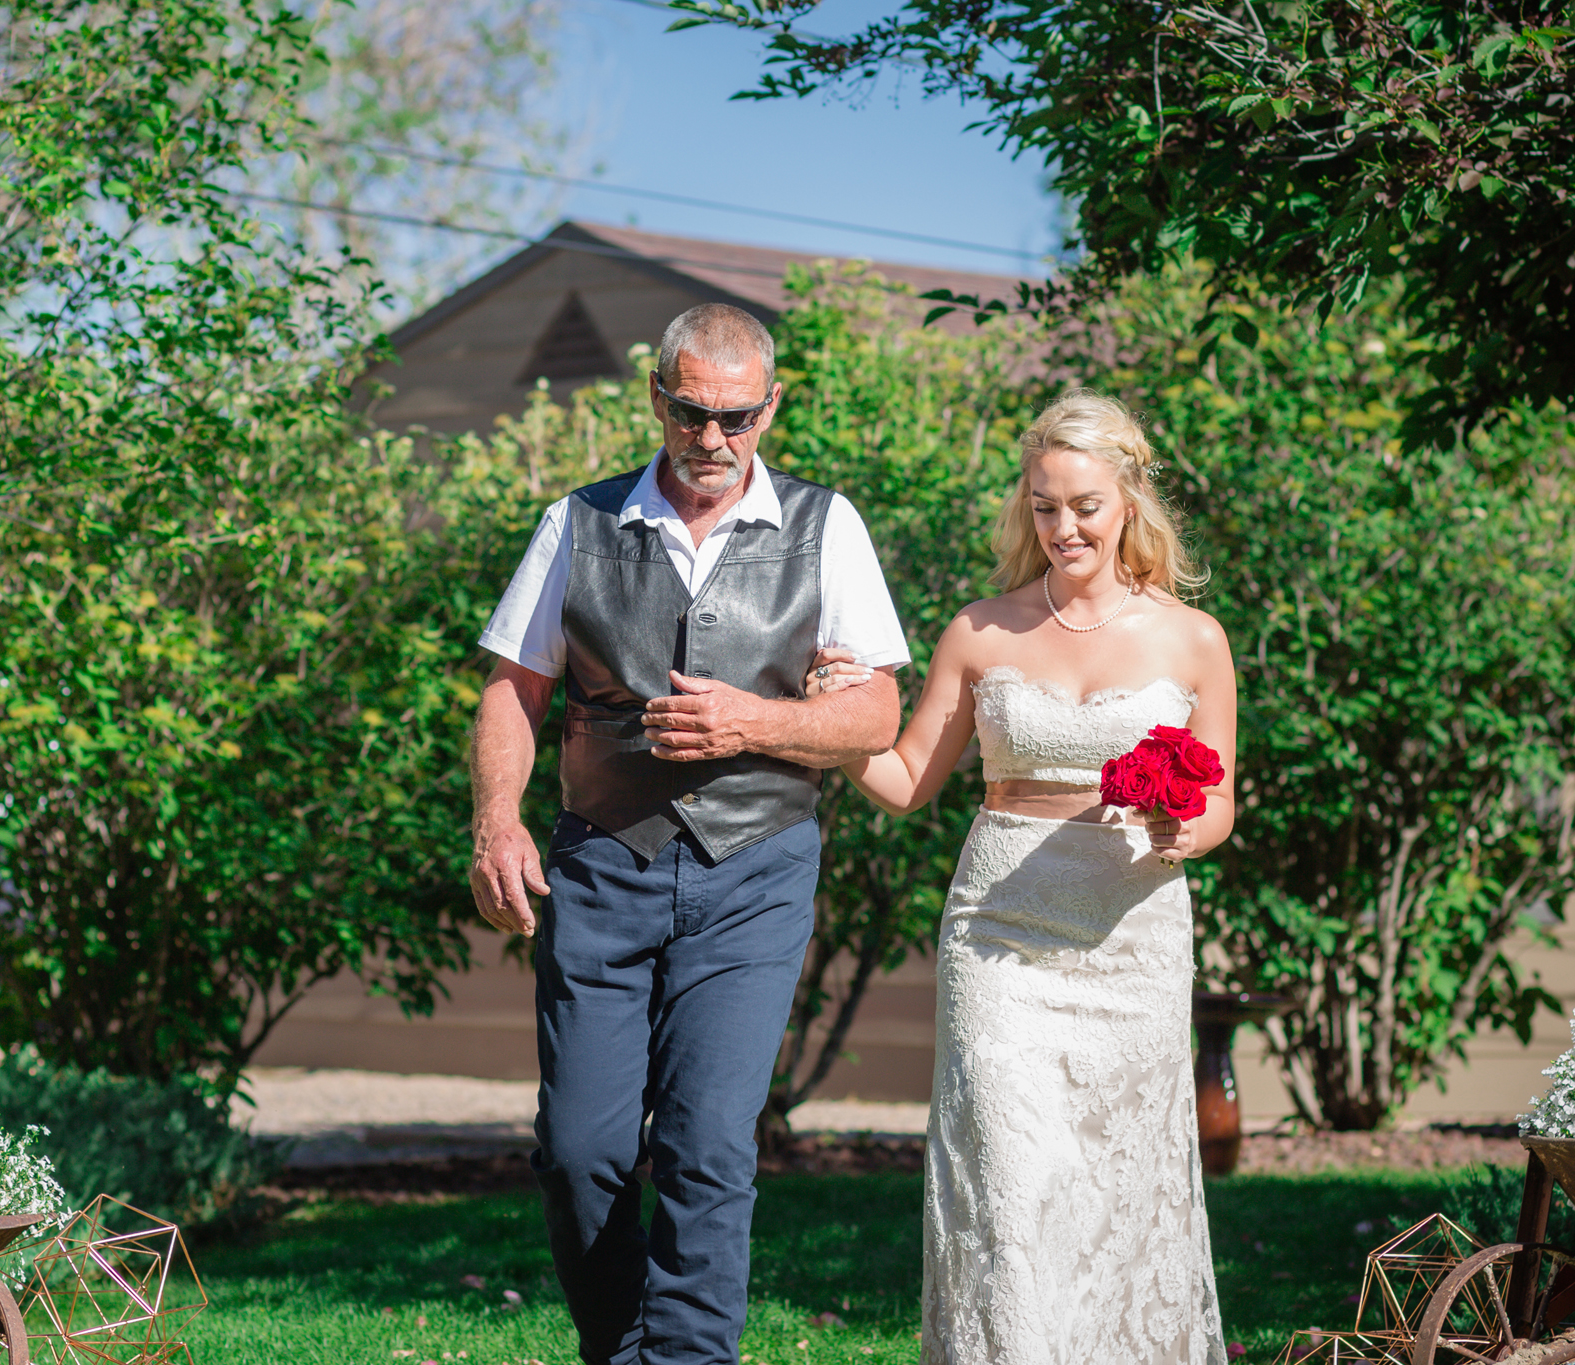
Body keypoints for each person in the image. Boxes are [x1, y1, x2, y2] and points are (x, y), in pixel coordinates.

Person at [470, 302, 910, 1365]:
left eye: (735, 418)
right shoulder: (576, 524)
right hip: (600, 864)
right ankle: (622, 1352)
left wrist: (753, 719)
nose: (710, 440)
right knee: (579, 1153)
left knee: (709, 1145)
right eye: (688, 413)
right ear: (655, 396)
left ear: (770, 406)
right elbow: (511, 689)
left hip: (753, 872)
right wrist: (496, 821)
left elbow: (874, 716)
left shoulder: (823, 526)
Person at [809, 389, 1235, 1365]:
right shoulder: (979, 630)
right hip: (999, 937)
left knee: (1114, 1189)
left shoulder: (1191, 638)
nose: (1061, 526)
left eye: (1082, 503)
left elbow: (1218, 802)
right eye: (1043, 506)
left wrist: (1183, 828)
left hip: (1130, 936)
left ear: (1126, 498)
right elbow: (909, 777)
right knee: (1003, 1184)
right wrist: (829, 730)